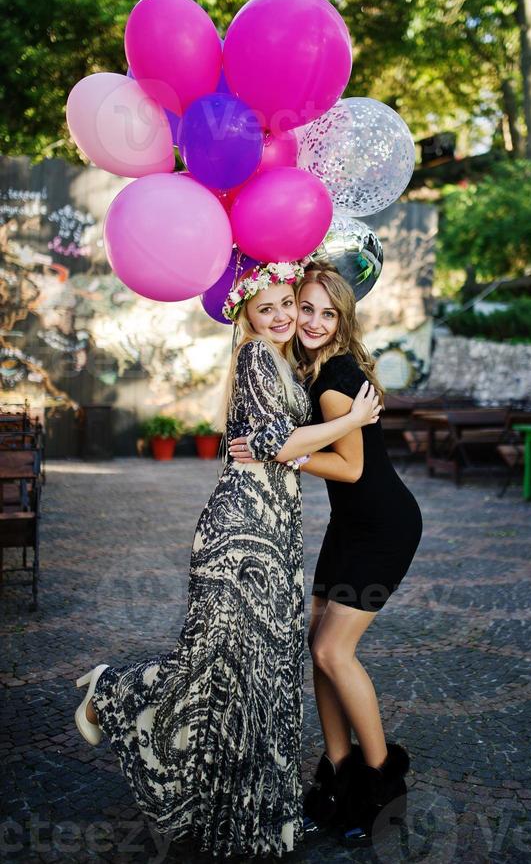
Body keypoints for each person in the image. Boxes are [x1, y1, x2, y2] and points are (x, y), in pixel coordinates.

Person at [72, 260, 381, 862]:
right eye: (268, 309)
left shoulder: (286, 361)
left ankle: (251, 817)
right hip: (240, 533)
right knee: (215, 659)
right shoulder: (256, 356)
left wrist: (329, 420)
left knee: (258, 673)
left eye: (288, 304)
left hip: (275, 526)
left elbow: (276, 445)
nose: (285, 316)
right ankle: (109, 691)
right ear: (246, 316)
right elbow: (267, 443)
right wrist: (351, 419)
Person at [229, 264, 422, 848]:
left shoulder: (336, 376)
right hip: (350, 524)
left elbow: (352, 467)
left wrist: (282, 456)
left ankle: (382, 787)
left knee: (334, 651)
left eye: (325, 313)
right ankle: (337, 779)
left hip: (383, 528)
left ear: (342, 320)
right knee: (318, 650)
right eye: (303, 308)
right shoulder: (308, 369)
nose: (310, 322)